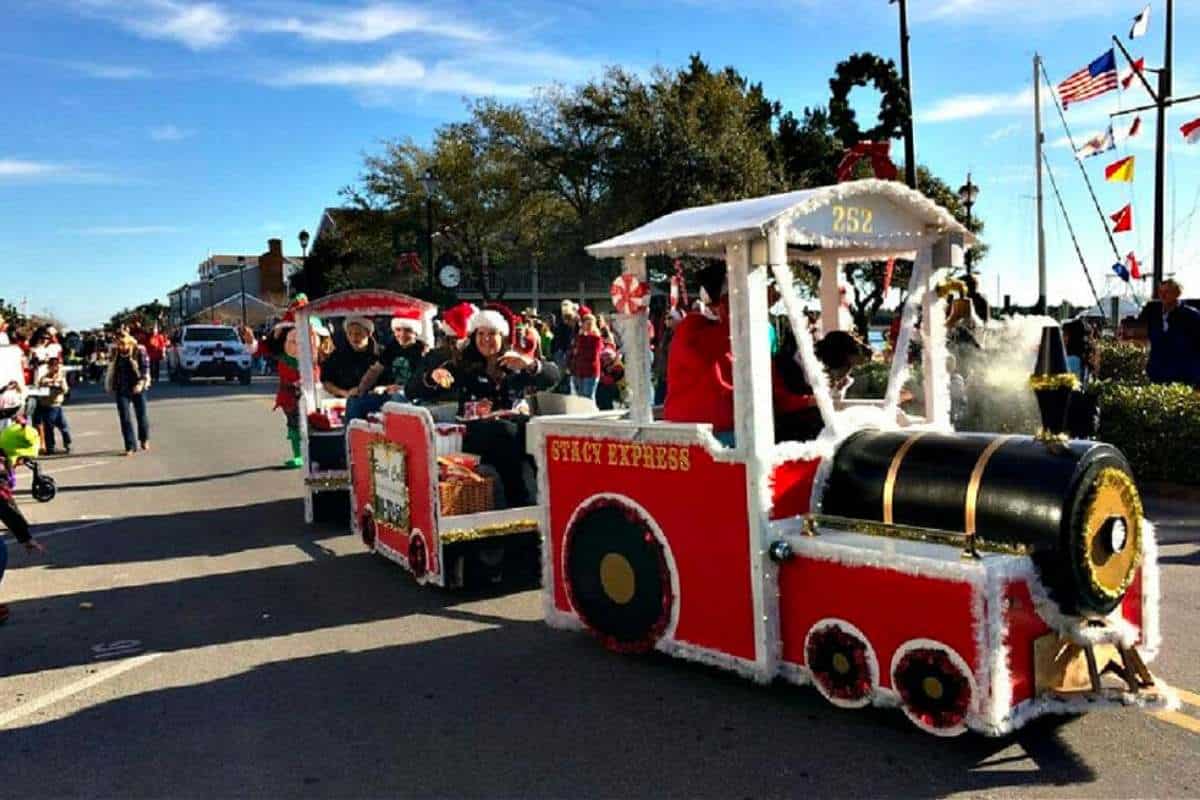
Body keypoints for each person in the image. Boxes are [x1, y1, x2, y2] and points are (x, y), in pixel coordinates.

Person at [410, 309, 560, 506]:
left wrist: (530, 365)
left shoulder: (514, 364)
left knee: (529, 426)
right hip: (475, 432)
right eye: (481, 334)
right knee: (507, 431)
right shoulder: (462, 365)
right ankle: (524, 503)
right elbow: (412, 390)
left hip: (513, 432)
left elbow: (553, 378)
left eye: (492, 334)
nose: (486, 339)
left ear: (502, 336)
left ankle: (542, 501)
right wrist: (433, 377)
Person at [1134, 278, 1200, 387]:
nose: (1162, 295)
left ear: (1176, 293)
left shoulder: (1191, 316)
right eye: (1160, 292)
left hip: (1184, 374)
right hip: (1157, 373)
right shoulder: (1152, 314)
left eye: (1167, 292)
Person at [323, 316, 384, 422]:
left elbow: (388, 383)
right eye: (349, 334)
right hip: (342, 403)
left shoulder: (381, 354)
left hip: (374, 404)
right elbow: (326, 382)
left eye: (358, 334)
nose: (353, 338)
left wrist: (376, 391)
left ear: (368, 333)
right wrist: (345, 393)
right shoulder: (337, 355)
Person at [106, 333, 151, 455]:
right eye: (120, 343)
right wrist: (109, 385)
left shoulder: (139, 351)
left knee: (141, 415)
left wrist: (141, 383)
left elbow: (145, 368)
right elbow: (111, 369)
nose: (122, 346)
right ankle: (130, 446)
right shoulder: (115, 353)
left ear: (130, 342)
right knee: (125, 417)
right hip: (122, 387)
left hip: (137, 386)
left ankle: (144, 438)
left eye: (124, 343)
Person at [374, 311, 429, 399]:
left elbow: (421, 381)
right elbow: (375, 370)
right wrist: (360, 390)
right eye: (398, 330)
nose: (402, 334)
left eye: (408, 330)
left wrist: (399, 388)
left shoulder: (422, 350)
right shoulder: (391, 347)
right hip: (388, 391)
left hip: (411, 395)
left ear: (415, 333)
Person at [35, 357, 71, 454]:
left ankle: (67, 443)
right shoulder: (45, 377)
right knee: (49, 427)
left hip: (57, 405)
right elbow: (41, 384)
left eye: (56, 366)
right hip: (48, 406)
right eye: (52, 366)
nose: (55, 368)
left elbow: (65, 389)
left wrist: (57, 384)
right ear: (49, 367)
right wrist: (51, 382)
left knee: (64, 426)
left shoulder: (60, 377)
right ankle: (50, 447)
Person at [570, 313, 603, 400]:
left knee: (588, 397)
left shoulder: (596, 338)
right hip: (579, 371)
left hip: (591, 371)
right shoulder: (579, 337)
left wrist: (580, 351)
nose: (588, 326)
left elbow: (593, 355)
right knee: (580, 398)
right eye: (586, 324)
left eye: (590, 324)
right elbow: (574, 352)